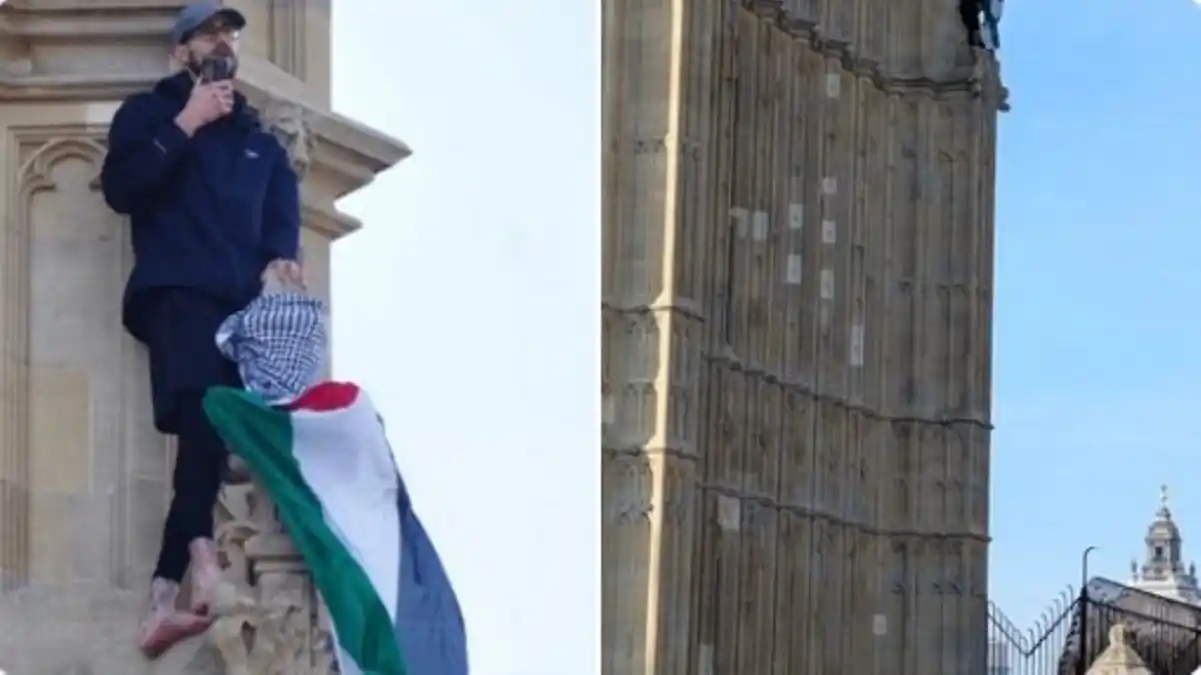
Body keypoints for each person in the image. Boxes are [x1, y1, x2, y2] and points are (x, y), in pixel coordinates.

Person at [99, 1, 302, 657]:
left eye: (229, 33)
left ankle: (166, 591)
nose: (223, 42)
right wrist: (187, 122)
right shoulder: (150, 115)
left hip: (238, 310)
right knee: (203, 417)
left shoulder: (260, 142)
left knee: (208, 437)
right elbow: (124, 187)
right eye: (208, 33)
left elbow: (281, 221)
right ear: (180, 51)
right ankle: (203, 558)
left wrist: (282, 259)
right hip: (177, 290)